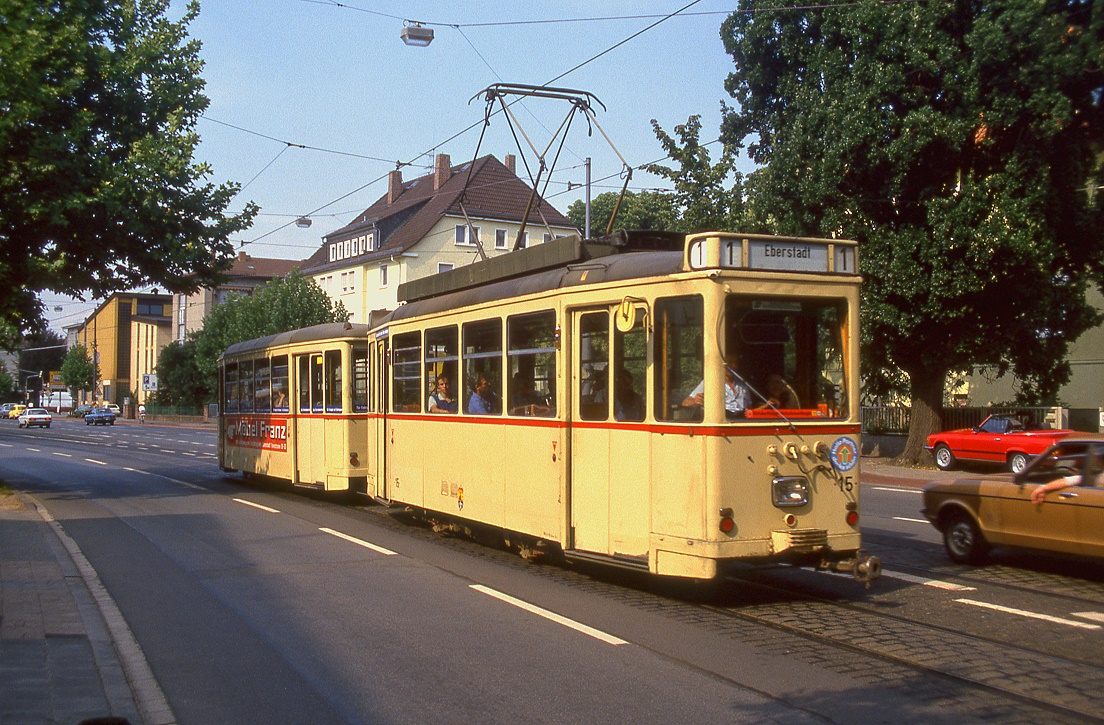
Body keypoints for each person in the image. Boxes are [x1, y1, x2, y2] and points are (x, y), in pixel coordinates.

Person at [681, 355, 750, 418]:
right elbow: (685, 402)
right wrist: (695, 401)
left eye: (736, 363)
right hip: (724, 421)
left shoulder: (743, 384)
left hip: (742, 421)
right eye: (730, 363)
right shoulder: (710, 382)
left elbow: (749, 408)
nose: (734, 366)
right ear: (723, 365)